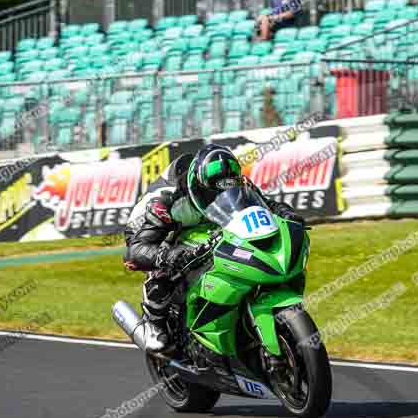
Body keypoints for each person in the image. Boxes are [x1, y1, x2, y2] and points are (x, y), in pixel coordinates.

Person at [123, 144, 304, 351]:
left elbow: (268, 205)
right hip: (149, 228)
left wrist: (288, 214)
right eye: (214, 192)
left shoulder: (237, 183)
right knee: (170, 264)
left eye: (227, 190)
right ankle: (155, 322)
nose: (221, 196)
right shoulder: (167, 203)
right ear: (199, 187)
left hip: (200, 221)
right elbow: (136, 250)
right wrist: (170, 255)